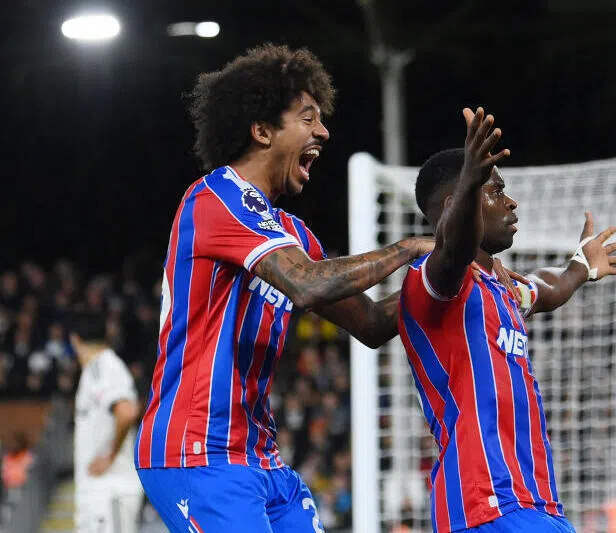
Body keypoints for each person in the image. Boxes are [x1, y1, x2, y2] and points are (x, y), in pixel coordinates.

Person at [134, 42, 441, 533]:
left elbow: (372, 323)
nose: (323, 131)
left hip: (262, 458)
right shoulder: (215, 199)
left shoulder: (294, 236)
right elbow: (305, 285)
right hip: (197, 452)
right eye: (307, 117)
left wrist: (444, 275)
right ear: (261, 130)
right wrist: (407, 249)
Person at [398, 107, 616, 533]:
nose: (510, 202)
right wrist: (470, 182)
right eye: (495, 191)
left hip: (535, 501)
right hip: (483, 502)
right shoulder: (436, 281)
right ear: (458, 204)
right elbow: (453, 249)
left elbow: (548, 288)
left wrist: (581, 267)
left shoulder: (503, 288)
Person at [69, 309, 143, 533]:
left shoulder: (102, 366)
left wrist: (110, 455)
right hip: (99, 493)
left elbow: (127, 411)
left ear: (75, 340)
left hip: (109, 489)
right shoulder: (97, 368)